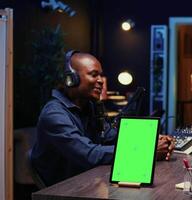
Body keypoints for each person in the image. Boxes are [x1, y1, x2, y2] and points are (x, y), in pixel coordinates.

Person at [31, 51, 174, 186]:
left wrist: (151, 140)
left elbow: (111, 136)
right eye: (94, 75)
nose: (101, 81)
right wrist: (146, 151)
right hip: (64, 191)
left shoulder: (90, 107)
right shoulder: (54, 115)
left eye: (101, 75)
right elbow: (89, 154)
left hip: (89, 181)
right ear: (71, 79)